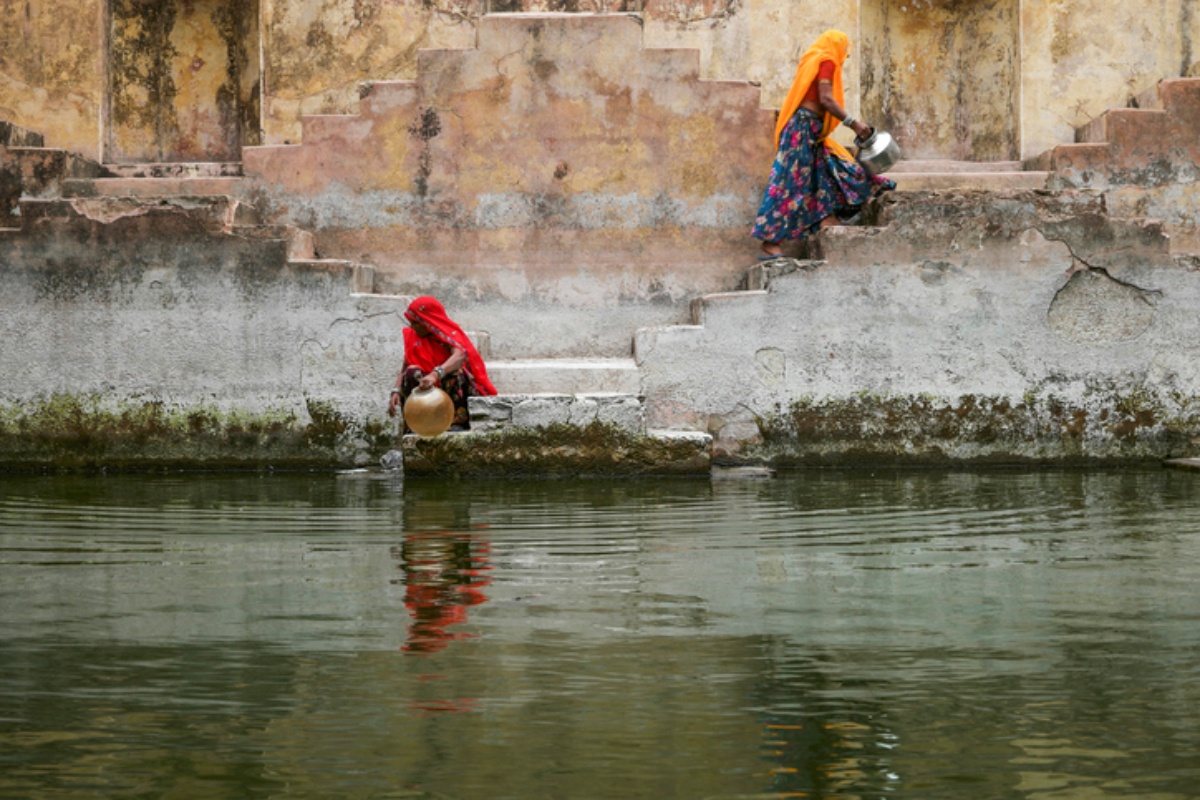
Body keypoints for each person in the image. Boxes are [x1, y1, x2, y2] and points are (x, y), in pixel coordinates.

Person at [752, 29, 896, 258]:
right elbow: (826, 98)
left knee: (829, 170)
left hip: (811, 130)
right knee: (789, 181)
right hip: (802, 129)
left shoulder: (814, 58)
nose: (845, 56)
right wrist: (854, 124)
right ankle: (770, 242)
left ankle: (827, 220)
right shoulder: (826, 60)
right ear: (837, 46)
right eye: (846, 50)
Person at [387, 296, 497, 432]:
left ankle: (456, 423)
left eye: (415, 323)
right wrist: (396, 391)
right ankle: (417, 425)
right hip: (425, 392)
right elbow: (405, 367)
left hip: (446, 390)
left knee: (457, 371)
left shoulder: (447, 334)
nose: (412, 327)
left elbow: (459, 355)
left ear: (427, 322)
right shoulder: (413, 337)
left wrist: (435, 374)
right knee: (412, 372)